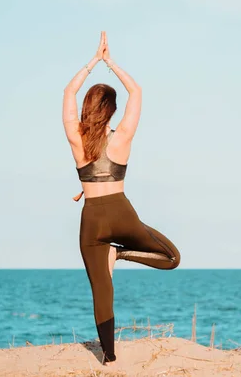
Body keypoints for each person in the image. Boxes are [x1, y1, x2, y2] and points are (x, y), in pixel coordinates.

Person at [62, 31, 181, 365]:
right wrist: (110, 62)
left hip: (91, 220)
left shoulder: (76, 138)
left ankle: (109, 358)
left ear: (87, 109)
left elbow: (68, 91)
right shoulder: (123, 137)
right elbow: (137, 91)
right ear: (112, 110)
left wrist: (91, 62)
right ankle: (122, 254)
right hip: (121, 214)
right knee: (172, 257)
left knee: (102, 291)